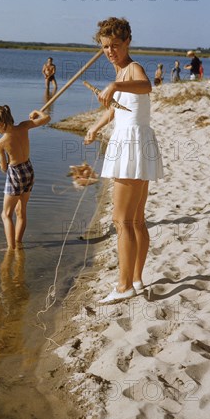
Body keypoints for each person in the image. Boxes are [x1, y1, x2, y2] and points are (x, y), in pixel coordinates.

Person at [84, 17, 164, 304]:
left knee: (122, 221)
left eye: (115, 45)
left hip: (132, 145)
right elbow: (119, 110)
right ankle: (137, 280)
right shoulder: (121, 72)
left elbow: (145, 86)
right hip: (132, 141)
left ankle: (123, 286)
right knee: (137, 220)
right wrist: (96, 127)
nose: (110, 51)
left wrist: (115, 85)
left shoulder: (132, 69)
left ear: (127, 41)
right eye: (105, 46)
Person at [0, 105, 50, 250]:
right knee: (21, 211)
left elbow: (4, 168)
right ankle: (18, 243)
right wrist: (36, 112)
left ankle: (10, 249)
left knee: (6, 214)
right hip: (28, 170)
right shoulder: (24, 126)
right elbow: (47, 118)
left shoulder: (0, 143)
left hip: (15, 174)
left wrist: (2, 161)